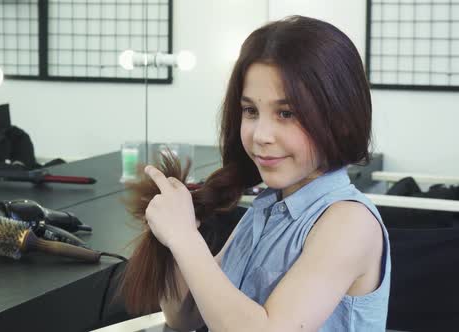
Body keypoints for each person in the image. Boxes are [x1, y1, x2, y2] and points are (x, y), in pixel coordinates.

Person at [142, 16, 390, 331]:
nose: (261, 135)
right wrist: (172, 240)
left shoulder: (349, 223)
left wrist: (185, 239)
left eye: (286, 114)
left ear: (339, 118)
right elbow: (184, 317)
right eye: (251, 111)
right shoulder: (264, 211)